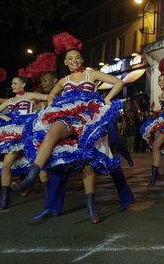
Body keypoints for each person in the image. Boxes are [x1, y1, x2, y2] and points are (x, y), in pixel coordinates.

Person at [19, 32, 132, 224]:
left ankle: (95, 206)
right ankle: (33, 177)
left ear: (82, 59)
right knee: (57, 151)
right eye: (70, 59)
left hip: (91, 121)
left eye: (77, 58)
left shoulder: (91, 73)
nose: (74, 61)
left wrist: (105, 100)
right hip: (69, 119)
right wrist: (52, 106)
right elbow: (51, 96)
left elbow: (119, 82)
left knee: (97, 159)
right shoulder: (64, 81)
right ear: (65, 62)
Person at [0, 75, 48, 209]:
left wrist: (43, 110)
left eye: (15, 83)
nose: (12, 86)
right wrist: (4, 116)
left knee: (39, 163)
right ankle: (5, 198)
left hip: (29, 131)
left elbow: (50, 97)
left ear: (23, 85)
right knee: (6, 165)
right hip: (13, 135)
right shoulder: (9, 100)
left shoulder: (30, 95)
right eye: (12, 84)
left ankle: (48, 195)